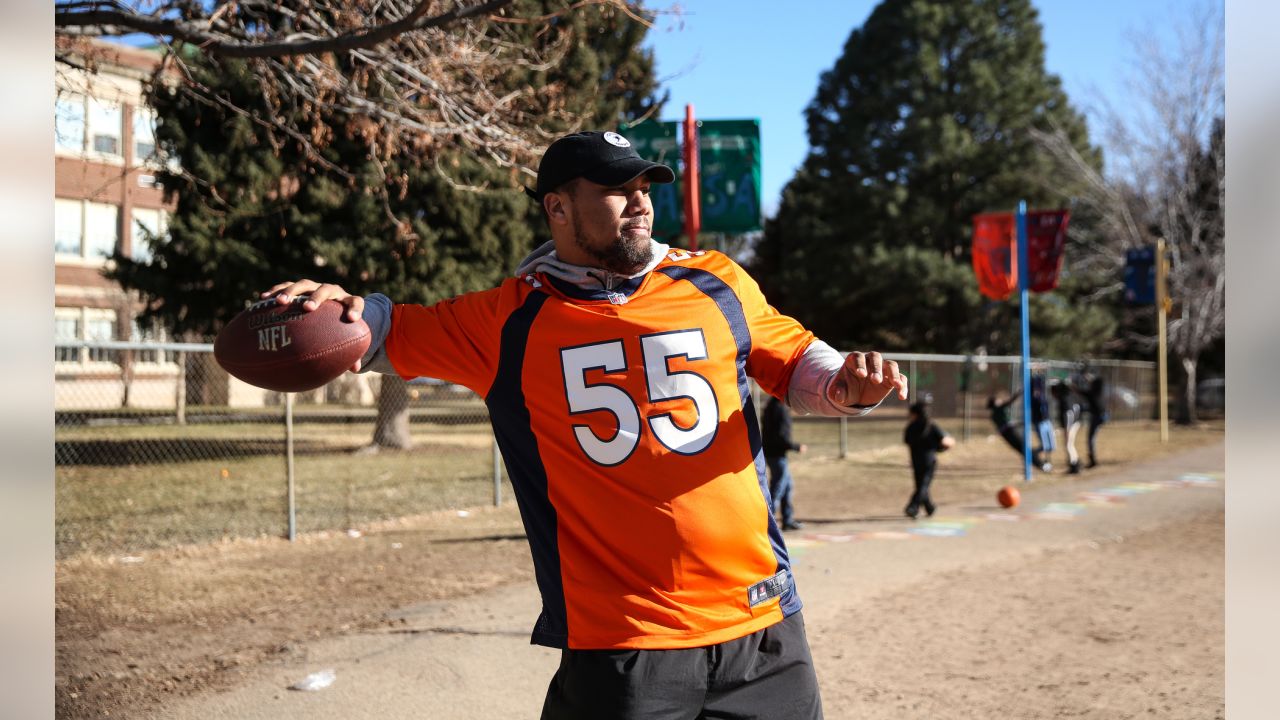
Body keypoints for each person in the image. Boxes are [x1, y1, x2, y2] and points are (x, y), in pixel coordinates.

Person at [264, 130, 908, 720]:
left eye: (643, 188)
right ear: (559, 209)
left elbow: (795, 359)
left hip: (764, 629)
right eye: (615, 191)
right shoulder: (507, 321)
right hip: (626, 647)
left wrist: (849, 384)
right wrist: (335, 306)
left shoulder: (716, 280)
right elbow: (388, 327)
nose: (639, 204)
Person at [761, 394, 808, 531]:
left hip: (774, 453)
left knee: (787, 486)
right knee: (778, 488)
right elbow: (780, 437)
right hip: (776, 454)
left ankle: (787, 520)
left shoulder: (772, 407)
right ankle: (769, 523)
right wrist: (796, 447)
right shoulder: (778, 410)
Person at [902, 401, 955, 518]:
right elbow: (946, 442)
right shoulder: (931, 426)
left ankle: (918, 507)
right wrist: (941, 447)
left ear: (915, 414)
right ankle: (921, 507)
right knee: (923, 486)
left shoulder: (910, 427)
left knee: (921, 486)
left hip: (916, 461)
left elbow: (907, 442)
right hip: (929, 461)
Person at [1050, 380, 1083, 474]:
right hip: (1075, 422)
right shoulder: (1070, 395)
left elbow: (1069, 414)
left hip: (1072, 424)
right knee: (1070, 445)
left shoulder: (1064, 400)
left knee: (1069, 445)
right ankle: (1075, 462)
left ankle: (1074, 466)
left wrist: (1067, 429)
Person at [1029, 373, 1055, 472]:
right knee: (1044, 445)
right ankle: (1032, 454)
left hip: (1046, 421)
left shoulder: (1043, 395)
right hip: (1039, 422)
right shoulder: (1033, 398)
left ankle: (1048, 461)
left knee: (1051, 446)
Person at [1082, 373, 1108, 468]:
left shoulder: (1094, 391)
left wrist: (1090, 378)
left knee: (1091, 438)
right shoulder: (1095, 391)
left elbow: (1099, 379)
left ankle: (1093, 460)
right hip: (1101, 415)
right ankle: (1092, 459)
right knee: (1091, 438)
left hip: (1098, 416)